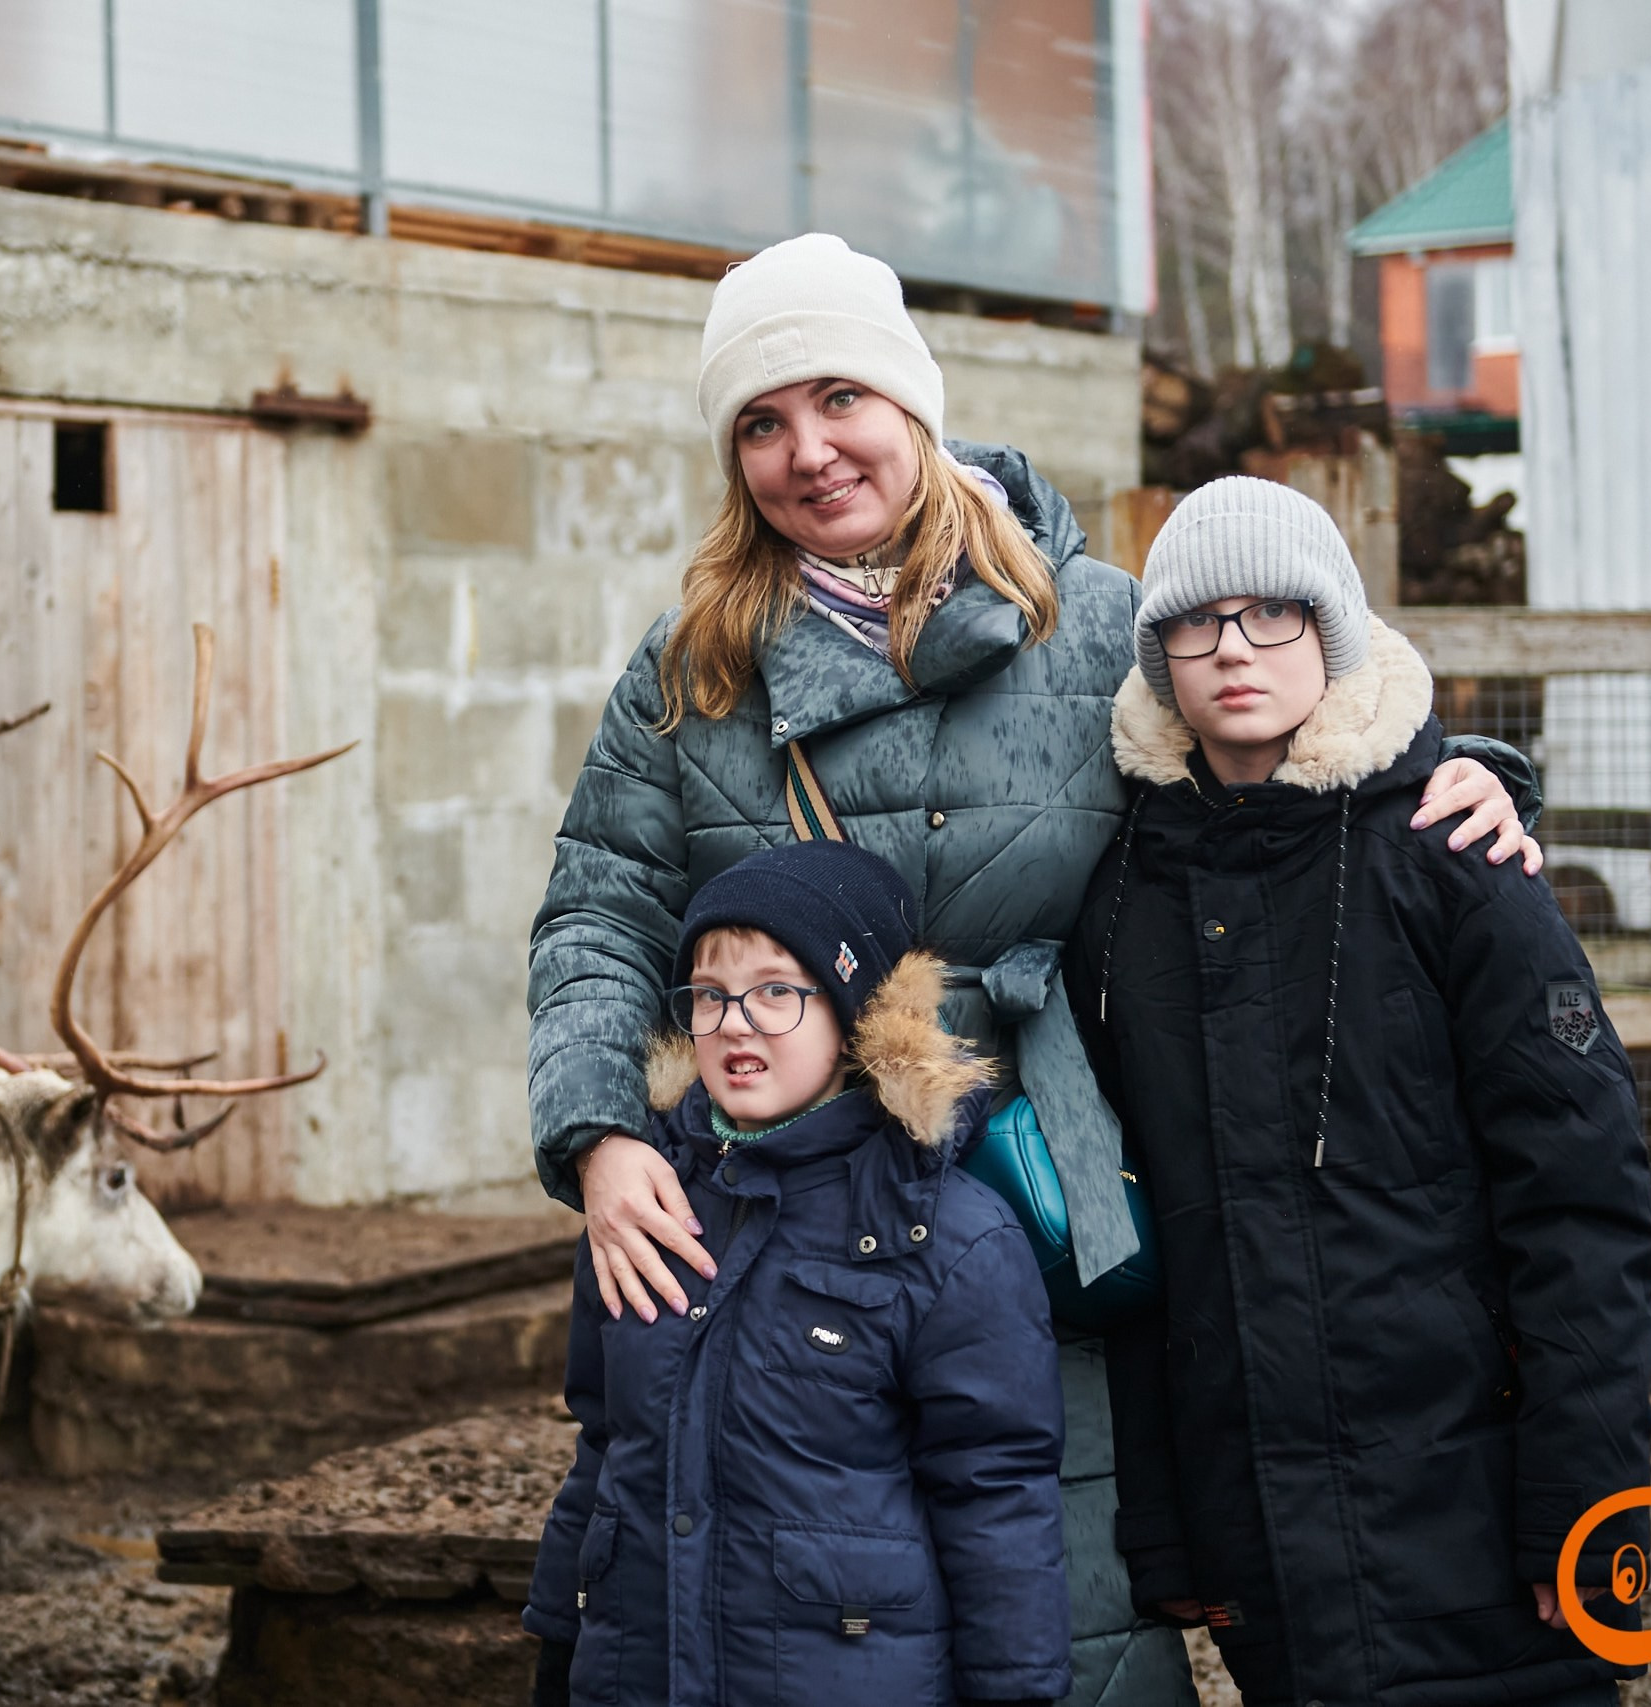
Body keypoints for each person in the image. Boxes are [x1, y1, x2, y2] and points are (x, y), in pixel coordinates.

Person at [527, 233, 1542, 1703]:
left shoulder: (1098, 626)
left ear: (913, 403)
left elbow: (1304, 731)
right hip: (786, 1217)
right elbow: (598, 912)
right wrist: (603, 1130)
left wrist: (1476, 778)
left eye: (839, 398)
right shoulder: (694, 671)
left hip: (1053, 1195)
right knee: (788, 1612)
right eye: (761, 420)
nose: (809, 452)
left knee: (1064, 1605)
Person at [1068, 476, 1651, 1707]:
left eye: (1273, 612)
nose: (1233, 647)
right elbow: (1127, 1241)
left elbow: (1581, 1196)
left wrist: (1587, 1488)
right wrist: (1170, 1526)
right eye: (1196, 619)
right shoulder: (1122, 900)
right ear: (1156, 653)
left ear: (1329, 632)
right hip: (1259, 1524)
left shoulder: (1459, 859)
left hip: (1472, 1498)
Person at [526, 841, 1072, 1707]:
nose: (735, 1021)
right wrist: (559, 1635)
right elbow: (604, 1443)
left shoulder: (947, 1234)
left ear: (855, 1013)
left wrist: (1012, 1692)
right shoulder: (644, 1208)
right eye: (710, 994)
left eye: (777, 990)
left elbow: (993, 1489)